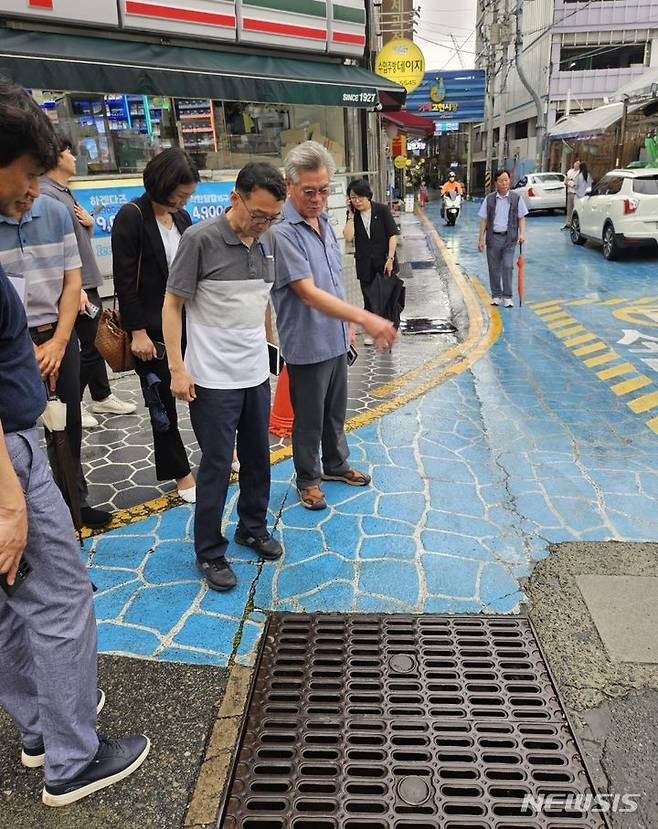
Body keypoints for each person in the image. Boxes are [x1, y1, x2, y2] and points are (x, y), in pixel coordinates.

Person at [0, 78, 149, 809]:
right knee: (60, 598)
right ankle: (71, 758)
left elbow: (68, 289)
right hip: (8, 457)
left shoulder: (42, 215)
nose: (36, 191)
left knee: (8, 602)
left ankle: (40, 728)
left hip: (17, 436)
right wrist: (9, 502)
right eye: (30, 175)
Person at [163, 162, 286, 592]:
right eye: (259, 215)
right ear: (236, 197)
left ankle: (252, 527)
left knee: (257, 456)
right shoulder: (199, 239)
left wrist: (269, 349)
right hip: (211, 378)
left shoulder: (265, 242)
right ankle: (210, 552)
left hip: (253, 374)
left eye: (273, 218)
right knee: (216, 463)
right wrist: (177, 368)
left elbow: (261, 302)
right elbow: (172, 305)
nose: (265, 225)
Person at [270, 141, 397, 511]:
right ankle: (308, 479)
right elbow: (307, 293)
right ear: (289, 186)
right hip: (306, 342)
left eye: (323, 190)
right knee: (308, 418)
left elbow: (334, 281)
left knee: (335, 411)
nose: (317, 198)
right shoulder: (283, 233)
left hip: (336, 338)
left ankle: (336, 465)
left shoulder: (325, 221)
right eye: (308, 191)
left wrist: (348, 325)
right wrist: (364, 316)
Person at [0, 122, 111, 530]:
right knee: (19, 430)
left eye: (37, 176)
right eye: (30, 175)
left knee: (69, 423)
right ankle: (24, 512)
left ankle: (73, 502)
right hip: (13, 346)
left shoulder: (56, 212)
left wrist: (61, 341)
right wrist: (19, 347)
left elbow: (72, 280)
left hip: (57, 337)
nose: (33, 190)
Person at [112, 148, 199, 502]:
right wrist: (137, 332)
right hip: (150, 329)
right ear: (162, 185)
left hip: (188, 323)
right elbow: (123, 280)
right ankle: (179, 472)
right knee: (161, 403)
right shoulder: (131, 216)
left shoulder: (183, 220)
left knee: (203, 391)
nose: (184, 200)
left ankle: (222, 451)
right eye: (180, 194)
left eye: (189, 195)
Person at [40, 132, 136, 429]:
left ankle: (102, 395)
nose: (74, 158)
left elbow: (75, 241)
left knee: (95, 340)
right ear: (57, 155)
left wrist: (91, 227)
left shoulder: (64, 191)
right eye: (70, 152)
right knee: (89, 346)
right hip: (76, 286)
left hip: (86, 279)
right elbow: (53, 252)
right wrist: (76, 287)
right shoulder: (46, 194)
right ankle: (73, 403)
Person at [343, 177, 399, 339]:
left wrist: (390, 258)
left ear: (368, 195)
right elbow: (348, 237)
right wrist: (351, 216)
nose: (357, 201)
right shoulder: (353, 215)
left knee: (387, 296)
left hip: (384, 261)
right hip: (364, 263)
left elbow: (392, 235)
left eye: (359, 197)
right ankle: (372, 332)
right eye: (353, 198)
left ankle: (391, 329)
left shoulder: (381, 210)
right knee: (369, 298)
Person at [478, 168, 528, 308]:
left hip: (509, 239)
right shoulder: (489, 199)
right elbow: (483, 220)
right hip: (493, 238)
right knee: (493, 268)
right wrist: (481, 239)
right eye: (501, 181)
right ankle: (496, 295)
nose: (504, 183)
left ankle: (507, 296)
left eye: (506, 180)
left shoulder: (516, 198)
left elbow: (521, 218)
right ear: (496, 183)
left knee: (507, 266)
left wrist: (522, 234)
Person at [563, 159, 580, 229]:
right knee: (569, 209)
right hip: (570, 192)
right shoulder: (570, 171)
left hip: (576, 193)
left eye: (578, 163)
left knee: (575, 209)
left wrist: (570, 182)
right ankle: (568, 223)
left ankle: (575, 224)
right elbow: (565, 181)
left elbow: (577, 184)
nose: (576, 164)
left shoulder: (580, 173)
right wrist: (571, 182)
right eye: (575, 163)